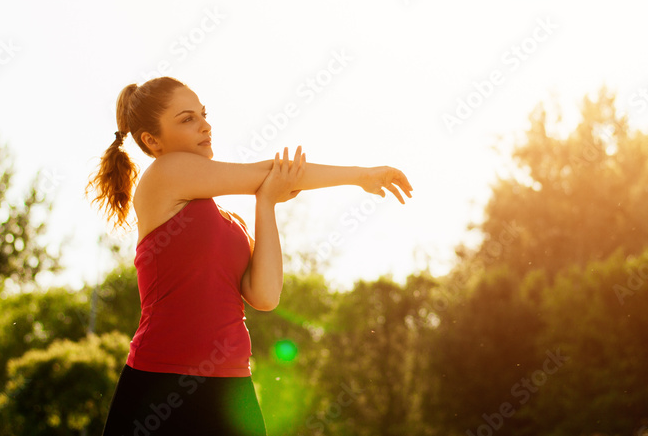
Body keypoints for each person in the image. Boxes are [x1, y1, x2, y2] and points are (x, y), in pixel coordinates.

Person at [87, 76, 413, 435]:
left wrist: (267, 202)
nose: (205, 125)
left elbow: (266, 295)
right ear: (152, 140)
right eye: (187, 119)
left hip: (231, 386)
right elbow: (268, 172)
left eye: (203, 114)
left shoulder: (230, 222)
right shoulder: (165, 174)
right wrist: (362, 175)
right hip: (160, 384)